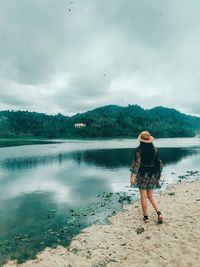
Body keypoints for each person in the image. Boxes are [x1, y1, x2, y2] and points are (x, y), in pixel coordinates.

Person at [130, 131, 163, 223]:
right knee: (151, 196)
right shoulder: (155, 149)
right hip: (153, 174)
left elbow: (137, 164)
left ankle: (146, 217)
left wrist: (132, 176)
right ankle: (159, 213)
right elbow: (159, 164)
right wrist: (159, 176)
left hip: (142, 174)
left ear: (140, 140)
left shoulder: (138, 150)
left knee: (143, 197)